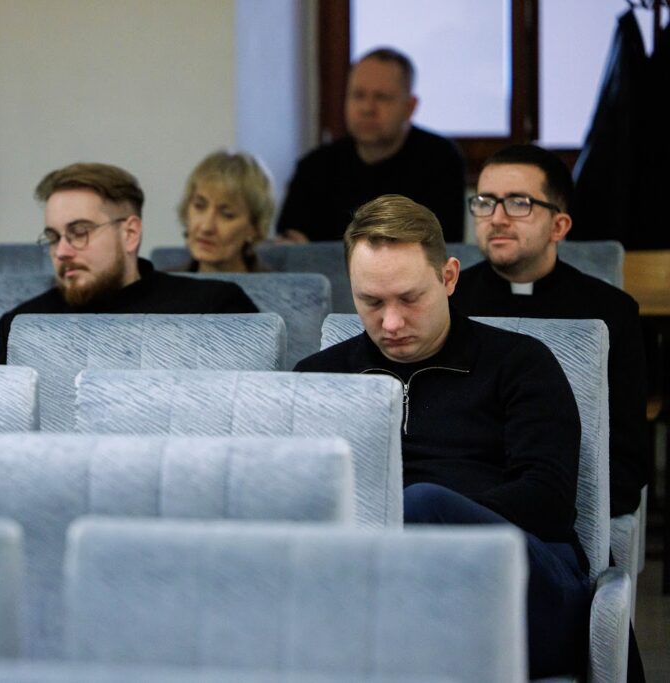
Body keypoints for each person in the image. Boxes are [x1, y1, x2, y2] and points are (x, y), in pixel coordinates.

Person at [294, 195, 590, 678]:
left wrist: (425, 523)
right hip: (372, 582)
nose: (391, 323)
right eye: (371, 302)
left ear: (449, 277)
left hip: (520, 578)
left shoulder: (520, 362)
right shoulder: (319, 379)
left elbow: (549, 501)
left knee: (424, 502)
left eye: (410, 299)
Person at [451, 144, 648, 518]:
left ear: (559, 226)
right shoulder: (448, 303)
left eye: (519, 203)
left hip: (562, 505)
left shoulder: (611, 311)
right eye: (486, 202)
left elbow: (627, 454)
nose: (497, 218)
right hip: (463, 500)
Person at [0, 162, 258, 364]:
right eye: (53, 238)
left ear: (130, 234)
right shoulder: (23, 326)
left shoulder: (213, 309)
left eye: (79, 232)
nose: (61, 251)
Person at [276, 47, 465, 243]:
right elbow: (290, 246)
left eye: (381, 97)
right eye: (358, 95)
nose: (367, 108)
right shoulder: (314, 167)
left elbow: (443, 246)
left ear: (410, 107)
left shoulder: (439, 161)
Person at [173, 149, 274, 273]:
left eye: (227, 215)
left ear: (254, 228)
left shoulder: (281, 285)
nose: (206, 227)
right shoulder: (160, 283)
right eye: (199, 206)